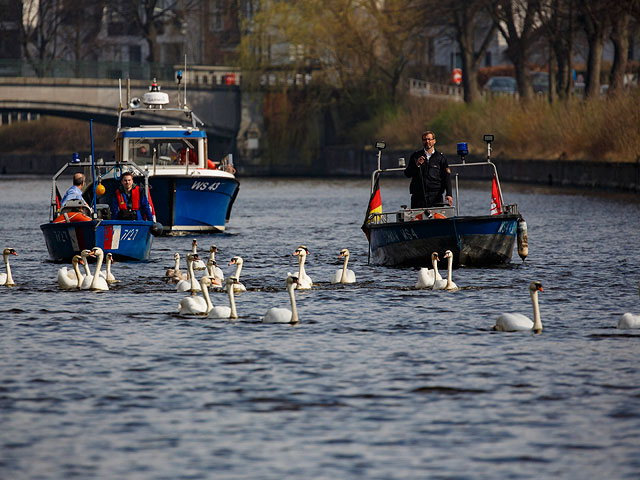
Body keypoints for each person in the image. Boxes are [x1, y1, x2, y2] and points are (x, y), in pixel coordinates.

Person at [404, 130, 453, 208]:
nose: (427, 141)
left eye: (429, 139)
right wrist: (417, 165)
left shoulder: (441, 158)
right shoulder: (415, 156)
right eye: (425, 140)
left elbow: (446, 177)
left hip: (436, 196)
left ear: (434, 141)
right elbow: (407, 173)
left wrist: (449, 194)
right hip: (418, 197)